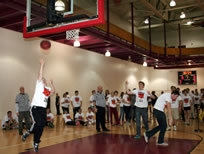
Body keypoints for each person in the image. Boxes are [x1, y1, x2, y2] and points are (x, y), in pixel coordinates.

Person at [21, 59, 55, 153]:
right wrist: (42, 65)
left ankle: (35, 142)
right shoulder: (39, 85)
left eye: (44, 79)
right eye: (42, 79)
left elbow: (53, 91)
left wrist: (52, 84)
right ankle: (28, 132)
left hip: (43, 109)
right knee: (38, 122)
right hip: (35, 107)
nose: (43, 79)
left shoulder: (47, 89)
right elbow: (40, 75)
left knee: (41, 125)